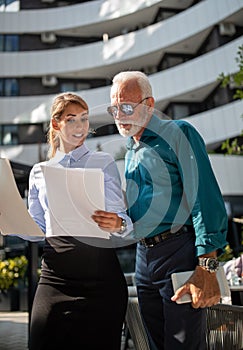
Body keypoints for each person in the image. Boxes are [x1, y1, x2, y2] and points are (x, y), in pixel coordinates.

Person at [107, 71, 228, 350]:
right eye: (115, 108)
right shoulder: (131, 150)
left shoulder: (178, 132)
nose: (119, 114)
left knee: (182, 345)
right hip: (143, 258)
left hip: (178, 252)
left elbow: (203, 197)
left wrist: (207, 266)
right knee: (156, 344)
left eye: (126, 106)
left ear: (149, 104)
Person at [27, 92, 133, 350]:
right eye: (72, 119)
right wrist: (10, 222)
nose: (80, 126)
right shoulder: (39, 172)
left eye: (84, 119)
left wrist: (117, 223)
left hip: (101, 282)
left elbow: (124, 222)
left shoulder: (103, 162)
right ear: (56, 124)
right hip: (55, 278)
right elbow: (37, 231)